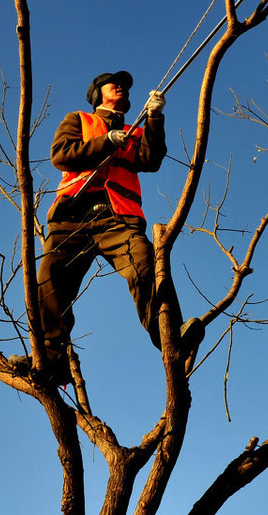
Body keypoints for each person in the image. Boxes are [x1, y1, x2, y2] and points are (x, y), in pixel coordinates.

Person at [34, 71, 168, 363]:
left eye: (125, 86)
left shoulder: (136, 130)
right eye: (113, 83)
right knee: (48, 276)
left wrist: (155, 119)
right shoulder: (78, 120)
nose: (121, 87)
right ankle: (52, 357)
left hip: (118, 217)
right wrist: (107, 141)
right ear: (97, 93)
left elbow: (150, 160)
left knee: (145, 264)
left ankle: (171, 337)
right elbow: (61, 155)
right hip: (73, 214)